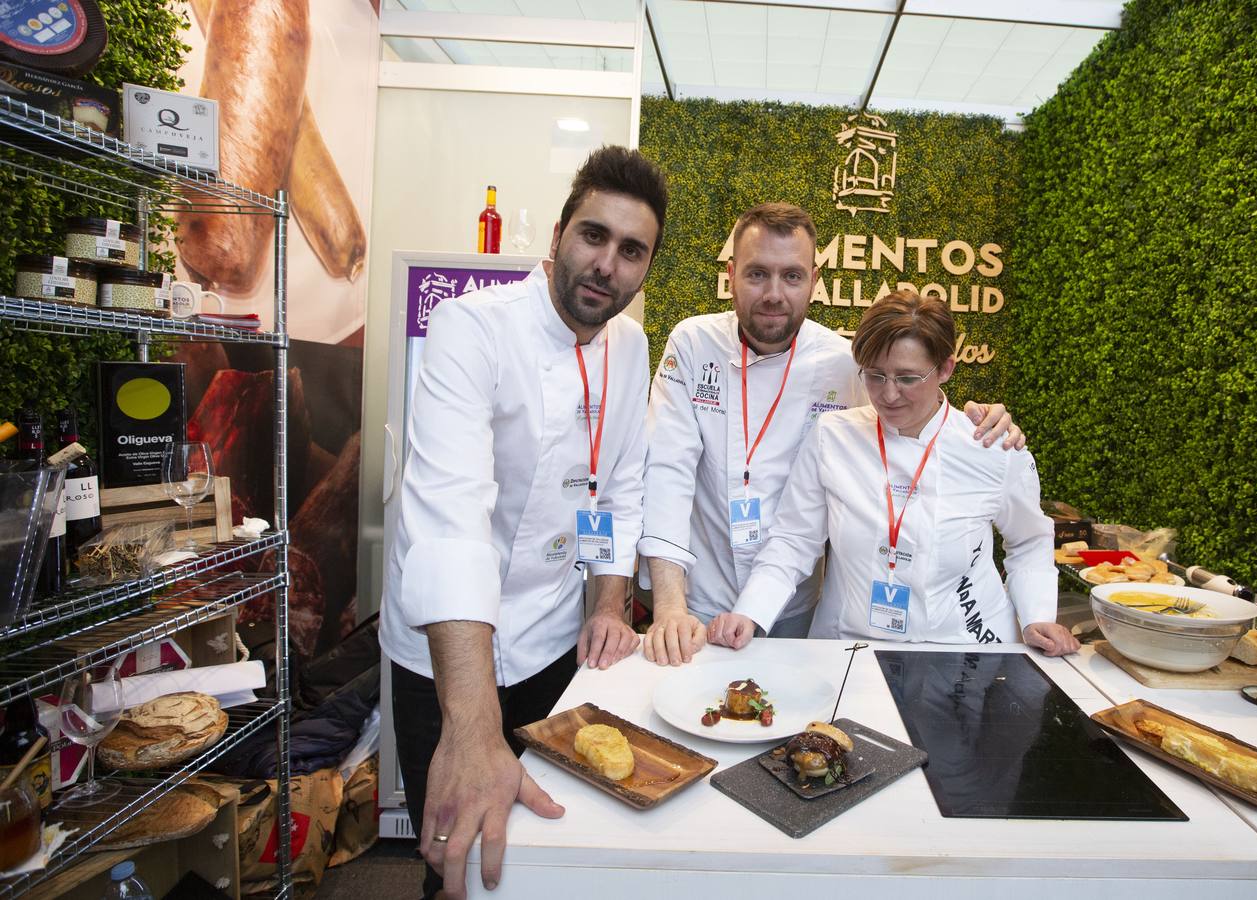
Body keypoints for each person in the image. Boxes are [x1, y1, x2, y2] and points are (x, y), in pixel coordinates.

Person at [379, 146, 665, 900]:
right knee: (454, 856)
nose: (607, 264)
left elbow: (621, 487)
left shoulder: (631, 348)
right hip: (442, 653)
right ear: (559, 235)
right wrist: (470, 728)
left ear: (645, 270)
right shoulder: (470, 327)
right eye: (594, 236)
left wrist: (607, 603)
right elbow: (450, 521)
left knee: (543, 852)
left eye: (631, 251)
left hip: (550, 642)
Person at [638, 203, 1025, 665]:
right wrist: (669, 606)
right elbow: (667, 472)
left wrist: (979, 422)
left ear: (815, 281)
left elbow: (908, 417)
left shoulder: (845, 363)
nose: (774, 294)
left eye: (793, 276)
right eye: (757, 274)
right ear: (731, 274)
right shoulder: (693, 342)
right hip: (696, 598)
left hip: (800, 607)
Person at [714, 289, 1079, 653]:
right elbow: (794, 540)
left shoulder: (991, 445)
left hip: (965, 646)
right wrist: (749, 613)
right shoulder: (832, 437)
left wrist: (1038, 615)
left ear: (946, 369)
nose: (888, 395)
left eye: (907, 378)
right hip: (851, 647)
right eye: (875, 375)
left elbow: (1029, 538)